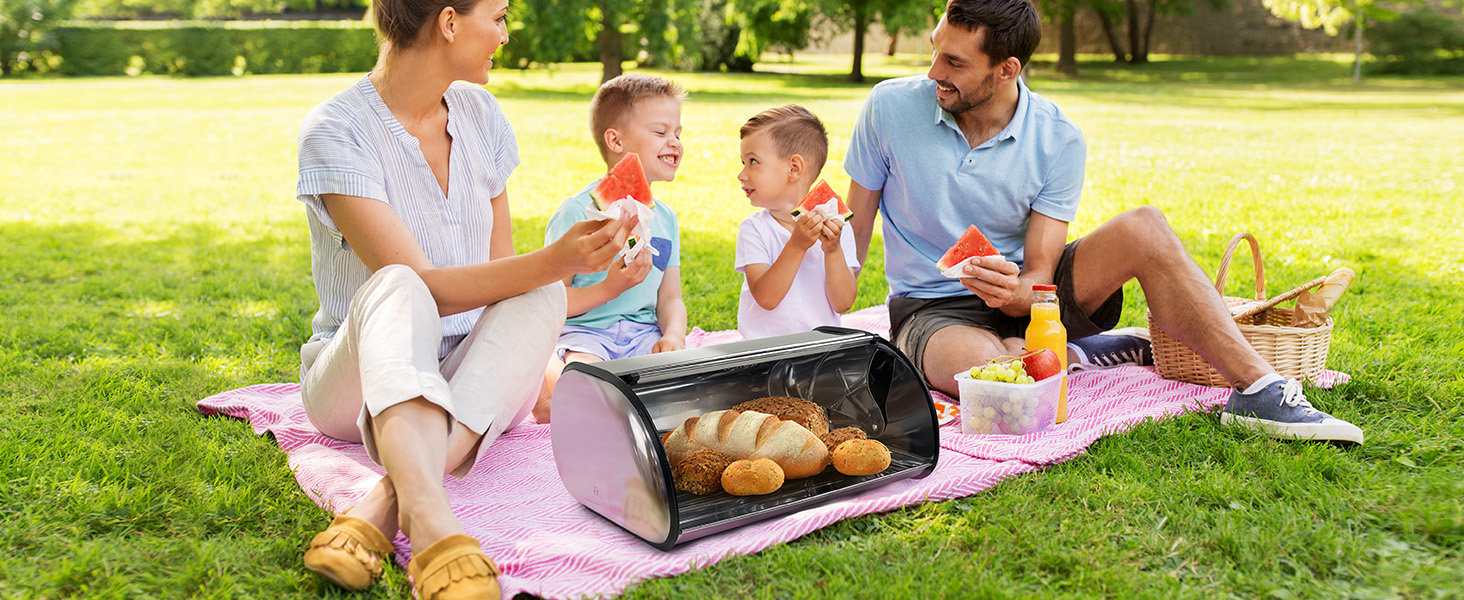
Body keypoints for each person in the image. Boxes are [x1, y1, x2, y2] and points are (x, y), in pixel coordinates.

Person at [844, 0, 1363, 444]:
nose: (934, 71)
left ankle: (1259, 390)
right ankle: (1074, 352)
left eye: (954, 61)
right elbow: (853, 232)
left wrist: (1016, 294)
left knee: (1145, 226)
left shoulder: (1057, 137)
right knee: (1000, 382)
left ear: (1007, 68)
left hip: (1029, 294)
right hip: (933, 305)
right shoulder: (889, 108)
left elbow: (1040, 277)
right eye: (935, 50)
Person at [292, 0, 637, 597]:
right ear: (450, 23)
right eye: (499, 17)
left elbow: (503, 274)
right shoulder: (335, 131)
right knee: (401, 284)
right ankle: (430, 521)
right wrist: (556, 260)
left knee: (539, 297)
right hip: (361, 380)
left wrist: (548, 353)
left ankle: (384, 504)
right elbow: (427, 292)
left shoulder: (480, 112)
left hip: (465, 370)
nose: (505, 34)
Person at [535, 74, 688, 422]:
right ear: (615, 140)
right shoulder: (577, 212)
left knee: (680, 386)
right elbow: (554, 302)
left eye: (678, 133)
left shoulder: (667, 219)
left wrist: (674, 335)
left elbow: (670, 298)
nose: (675, 142)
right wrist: (610, 288)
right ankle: (550, 383)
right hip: (586, 336)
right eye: (661, 132)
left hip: (642, 334)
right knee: (587, 386)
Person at [734, 105, 859, 340]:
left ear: (794, 168)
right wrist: (797, 245)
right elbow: (766, 298)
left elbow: (843, 303)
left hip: (820, 350)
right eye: (743, 162)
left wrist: (833, 251)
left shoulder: (838, 226)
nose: (741, 174)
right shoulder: (753, 229)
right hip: (764, 351)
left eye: (752, 162)